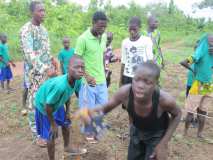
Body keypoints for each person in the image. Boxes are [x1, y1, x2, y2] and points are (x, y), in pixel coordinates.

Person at [78, 61, 182, 160]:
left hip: (156, 135)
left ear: (156, 84)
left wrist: (163, 143)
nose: (140, 86)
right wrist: (89, 112)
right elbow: (105, 108)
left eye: (147, 82)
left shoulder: (164, 100)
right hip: (136, 131)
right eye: (136, 79)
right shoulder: (125, 93)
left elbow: (177, 114)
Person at [19, 1, 58, 146]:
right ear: (32, 12)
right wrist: (45, 69)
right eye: (40, 11)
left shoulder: (44, 30)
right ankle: (36, 135)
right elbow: (30, 55)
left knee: (46, 100)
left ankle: (46, 127)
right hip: (34, 75)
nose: (43, 13)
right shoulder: (25, 30)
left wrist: (52, 59)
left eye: (44, 11)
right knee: (33, 103)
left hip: (46, 73)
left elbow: (45, 50)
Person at [35, 55, 87, 160]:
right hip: (44, 105)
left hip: (55, 102)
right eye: (76, 67)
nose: (80, 70)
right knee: (51, 134)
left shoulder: (77, 80)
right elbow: (47, 106)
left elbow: (68, 94)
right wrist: (53, 124)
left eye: (82, 67)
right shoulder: (60, 86)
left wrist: (67, 111)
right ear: (68, 68)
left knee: (66, 124)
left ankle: (67, 148)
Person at [75, 11, 108, 142]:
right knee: (87, 109)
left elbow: (102, 53)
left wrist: (105, 69)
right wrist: (87, 76)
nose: (102, 29)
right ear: (93, 23)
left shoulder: (103, 36)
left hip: (101, 81)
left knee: (102, 108)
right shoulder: (82, 39)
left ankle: (96, 127)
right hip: (88, 83)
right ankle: (88, 131)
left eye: (104, 27)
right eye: (100, 26)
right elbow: (76, 62)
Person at [181, 33, 213, 138]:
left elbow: (184, 62)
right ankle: (199, 134)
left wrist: (193, 70)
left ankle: (184, 133)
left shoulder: (200, 51)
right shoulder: (211, 52)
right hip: (209, 85)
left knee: (190, 111)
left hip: (198, 84)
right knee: (202, 112)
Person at [120, 16, 153, 108]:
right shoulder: (125, 42)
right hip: (127, 76)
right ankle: (131, 122)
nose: (132, 32)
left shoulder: (146, 41)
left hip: (141, 77)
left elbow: (150, 61)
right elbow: (123, 62)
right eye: (130, 29)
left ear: (140, 28)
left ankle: (140, 122)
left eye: (134, 29)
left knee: (140, 103)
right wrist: (121, 81)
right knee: (128, 104)